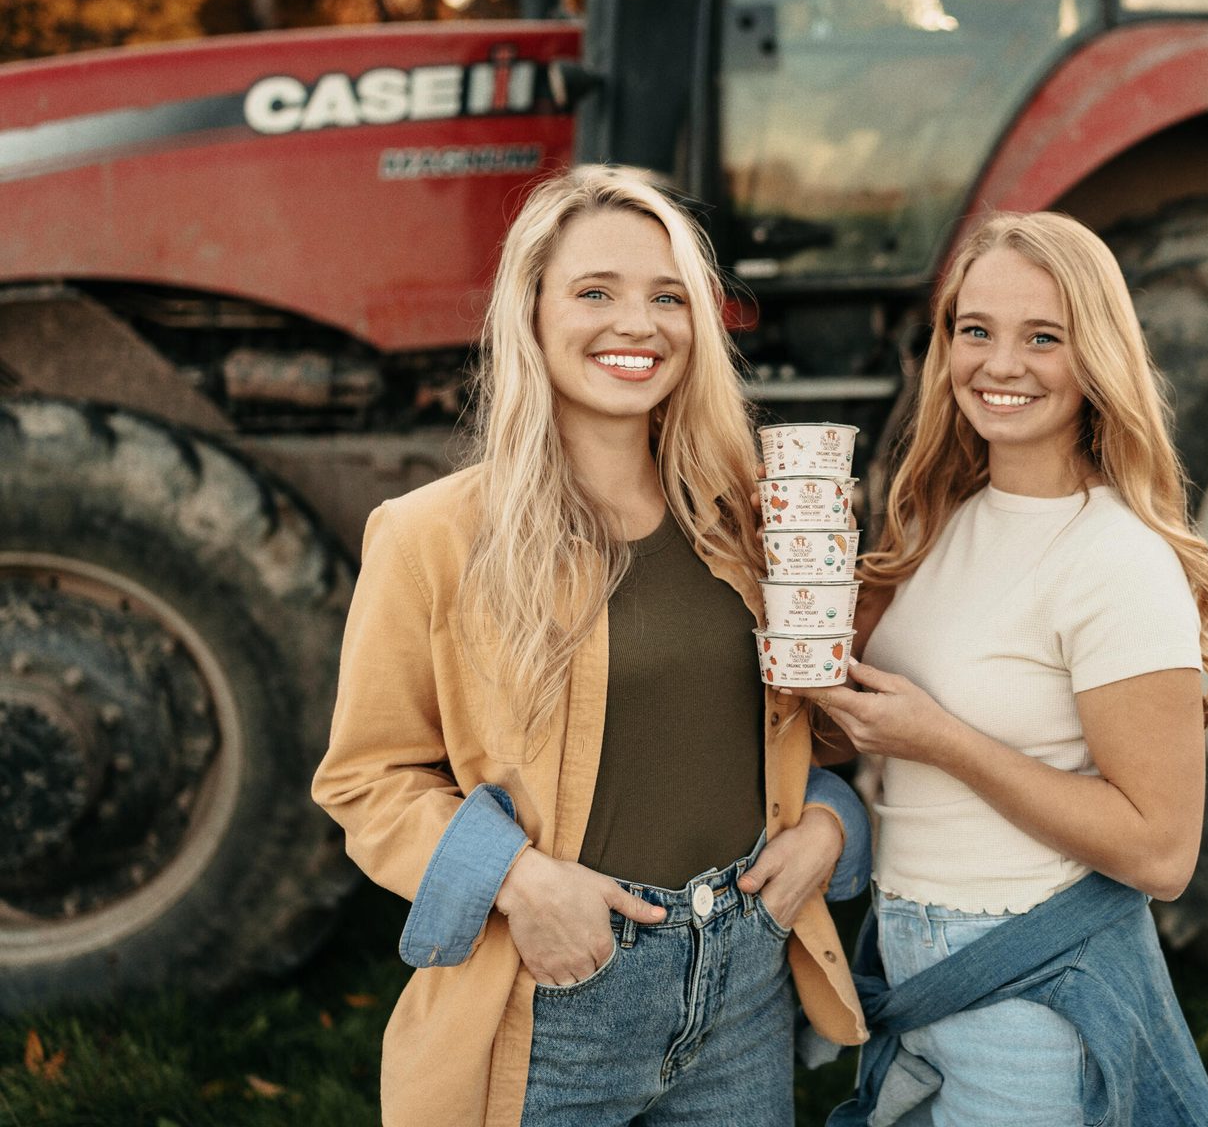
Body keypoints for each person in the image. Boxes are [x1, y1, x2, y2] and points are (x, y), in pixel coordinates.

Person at [311, 165, 867, 1127]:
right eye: (595, 293)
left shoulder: (749, 518)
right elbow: (368, 779)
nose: (637, 325)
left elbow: (779, 736)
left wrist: (830, 827)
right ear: (530, 314)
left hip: (742, 988)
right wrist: (519, 879)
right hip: (556, 990)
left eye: (667, 297)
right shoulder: (432, 535)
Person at [803, 211, 1208, 1126]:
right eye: (976, 331)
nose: (1001, 366)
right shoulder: (940, 519)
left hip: (1027, 986)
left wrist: (944, 742)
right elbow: (855, 736)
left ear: (1097, 359)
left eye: (1044, 337)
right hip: (911, 967)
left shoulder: (1114, 557)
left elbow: (1162, 852)